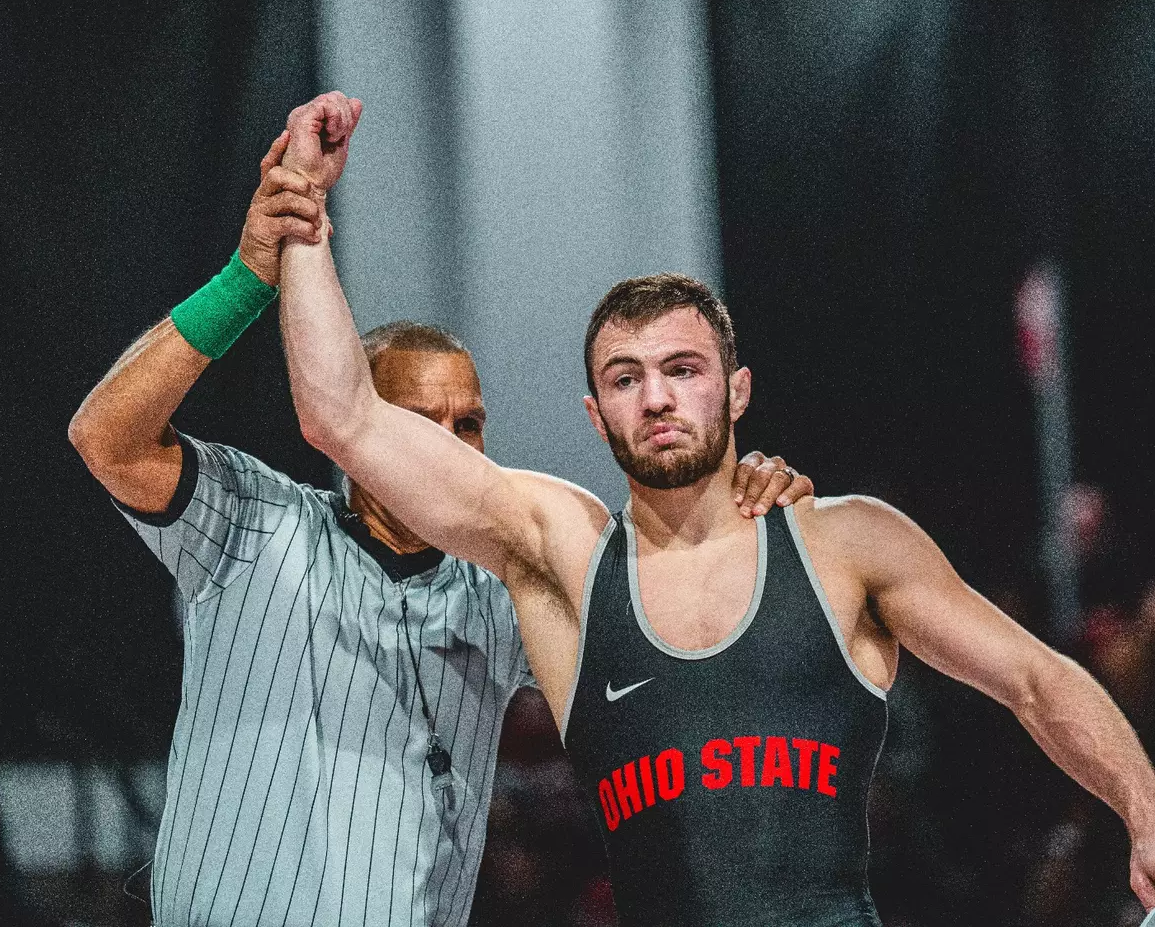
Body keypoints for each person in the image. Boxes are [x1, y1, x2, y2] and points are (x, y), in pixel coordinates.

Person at [277, 91, 1155, 927]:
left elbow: (1035, 678)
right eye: (625, 378)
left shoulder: (844, 543)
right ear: (593, 411)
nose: (655, 398)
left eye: (682, 371)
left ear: (734, 392)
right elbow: (342, 418)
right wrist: (306, 216)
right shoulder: (560, 555)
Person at [67, 107, 813, 927]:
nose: (452, 447)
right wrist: (246, 279)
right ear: (362, 425)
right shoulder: (252, 520)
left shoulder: (502, 585)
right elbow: (105, 437)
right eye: (419, 424)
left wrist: (738, 508)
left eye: (469, 425)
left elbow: (677, 629)